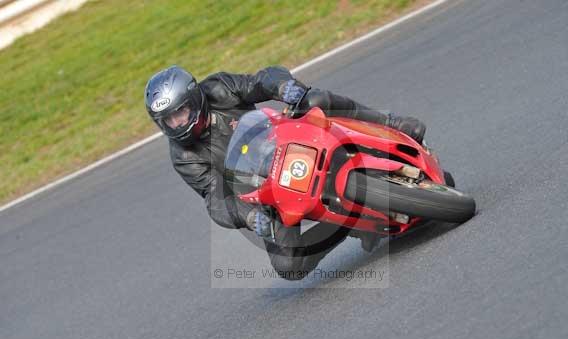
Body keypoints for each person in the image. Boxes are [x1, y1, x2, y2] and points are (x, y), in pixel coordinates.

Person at [144, 65, 426, 280]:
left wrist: (284, 88)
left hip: (286, 139)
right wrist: (251, 217)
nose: (177, 123)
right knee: (289, 266)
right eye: (168, 119)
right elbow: (215, 199)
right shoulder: (183, 156)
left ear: (195, 98)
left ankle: (393, 125)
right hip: (264, 189)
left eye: (180, 112)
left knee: (315, 99)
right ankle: (351, 223)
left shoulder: (218, 88)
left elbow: (260, 81)